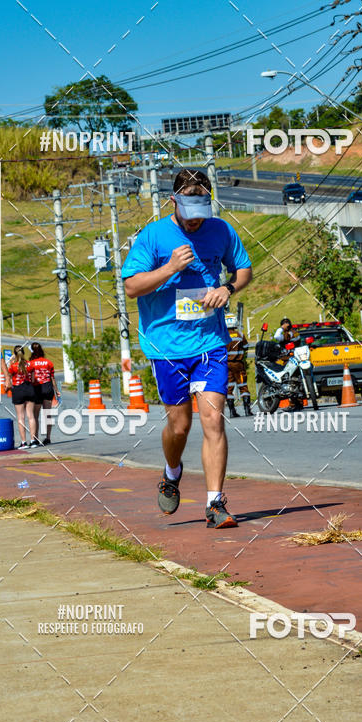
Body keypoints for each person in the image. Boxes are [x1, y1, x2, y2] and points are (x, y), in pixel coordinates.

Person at [122, 168, 252, 529]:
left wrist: (228, 288)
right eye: (189, 216)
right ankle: (171, 471)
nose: (196, 224)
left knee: (213, 420)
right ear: (173, 201)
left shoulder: (221, 230)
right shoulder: (153, 236)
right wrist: (169, 268)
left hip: (210, 343)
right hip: (167, 347)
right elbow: (132, 287)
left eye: (201, 216)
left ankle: (215, 503)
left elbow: (243, 269)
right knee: (179, 427)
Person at [26, 343, 59, 446]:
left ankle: (35, 438)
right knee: (47, 414)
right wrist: (56, 390)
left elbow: (30, 378)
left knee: (35, 415)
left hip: (37, 387)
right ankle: (48, 438)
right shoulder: (49, 363)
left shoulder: (31, 363)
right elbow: (52, 378)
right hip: (48, 387)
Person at [2, 346, 33, 449]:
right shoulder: (29, 364)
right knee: (31, 416)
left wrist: (10, 361)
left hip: (18, 390)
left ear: (15, 354)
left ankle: (24, 442)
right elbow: (32, 379)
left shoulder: (13, 366)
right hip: (29, 388)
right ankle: (33, 440)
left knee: (21, 417)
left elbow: (7, 376)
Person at [225, 316, 252, 418]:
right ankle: (247, 410)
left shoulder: (223, 335)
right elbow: (245, 347)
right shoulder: (240, 334)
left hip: (227, 365)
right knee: (243, 386)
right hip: (239, 364)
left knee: (229, 388)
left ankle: (232, 412)